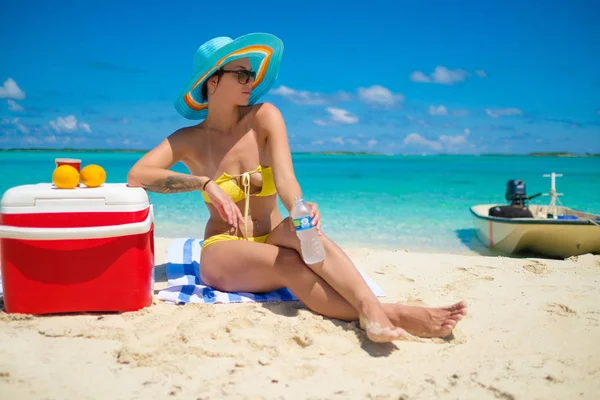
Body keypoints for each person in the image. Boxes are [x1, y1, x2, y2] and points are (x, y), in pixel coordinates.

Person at [127, 33, 467, 343]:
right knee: (289, 263)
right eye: (242, 74)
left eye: (253, 74)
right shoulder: (189, 140)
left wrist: (300, 208)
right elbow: (138, 174)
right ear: (212, 80)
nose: (252, 80)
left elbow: (287, 179)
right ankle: (397, 314)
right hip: (224, 249)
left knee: (305, 233)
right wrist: (203, 183)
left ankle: (371, 307)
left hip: (273, 232)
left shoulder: (264, 116)